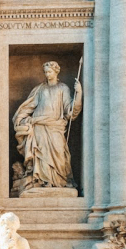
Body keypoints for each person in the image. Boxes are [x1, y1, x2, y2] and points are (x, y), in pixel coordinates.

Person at [12, 61, 82, 190]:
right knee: (41, 154)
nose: (47, 74)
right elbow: (30, 106)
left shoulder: (63, 88)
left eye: (49, 72)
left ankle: (59, 181)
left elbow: (70, 111)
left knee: (59, 153)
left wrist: (79, 94)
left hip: (55, 126)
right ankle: (43, 181)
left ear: (56, 72)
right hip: (39, 125)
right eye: (45, 72)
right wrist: (21, 118)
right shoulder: (40, 89)